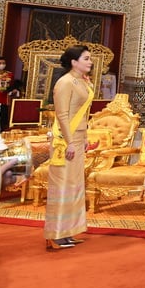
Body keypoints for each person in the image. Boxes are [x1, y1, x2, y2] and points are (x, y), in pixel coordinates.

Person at [45, 45, 95, 251]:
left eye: (90, 58)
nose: (90, 62)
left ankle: (67, 232)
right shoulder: (65, 82)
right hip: (65, 140)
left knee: (74, 187)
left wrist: (85, 136)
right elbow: (62, 114)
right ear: (74, 62)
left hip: (78, 137)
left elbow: (84, 113)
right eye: (86, 58)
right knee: (62, 187)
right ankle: (55, 235)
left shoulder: (82, 81)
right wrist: (70, 141)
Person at [0, 56, 12, 131]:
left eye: (3, 63)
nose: (2, 65)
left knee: (3, 119)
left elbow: (12, 86)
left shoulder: (9, 74)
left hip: (4, 99)